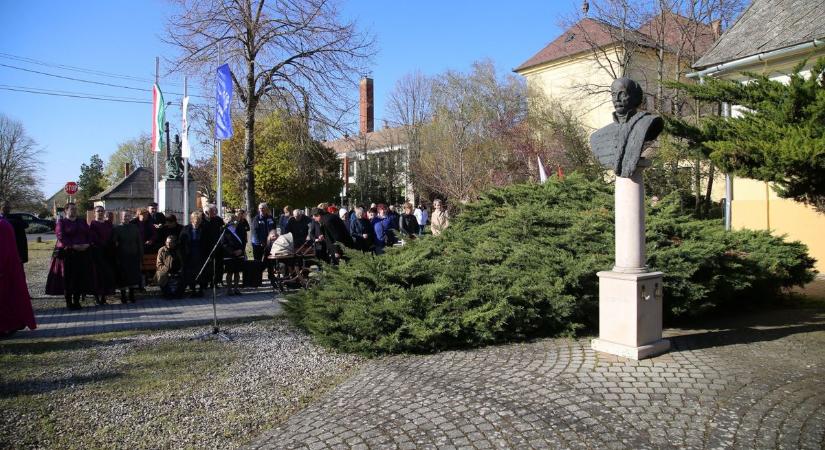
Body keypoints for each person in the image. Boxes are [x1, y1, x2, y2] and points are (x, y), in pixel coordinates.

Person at [46, 202, 92, 310]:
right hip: (68, 254)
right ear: (66, 210)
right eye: (72, 209)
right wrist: (73, 246)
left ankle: (77, 301)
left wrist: (88, 244)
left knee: (79, 278)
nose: (74, 211)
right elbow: (60, 235)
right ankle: (69, 302)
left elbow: (89, 234)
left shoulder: (82, 221)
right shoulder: (61, 222)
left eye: (75, 209)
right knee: (68, 278)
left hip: (82, 253)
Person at [0, 218, 36, 336]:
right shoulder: (4, 223)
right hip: (7, 269)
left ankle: (7, 327)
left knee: (6, 301)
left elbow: (4, 251)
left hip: (4, 271)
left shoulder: (2, 225)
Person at [111, 210, 143, 303]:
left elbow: (139, 242)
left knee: (133, 276)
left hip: (133, 255)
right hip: (122, 256)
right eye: (125, 216)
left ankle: (132, 295)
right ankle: (123, 296)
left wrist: (140, 254)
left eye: (128, 216)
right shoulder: (117, 228)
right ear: (121, 217)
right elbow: (114, 243)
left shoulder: (135, 227)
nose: (127, 218)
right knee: (123, 277)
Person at [88, 205, 115, 305]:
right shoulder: (93, 224)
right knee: (99, 274)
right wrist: (103, 244)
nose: (100, 212)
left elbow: (113, 234)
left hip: (108, 251)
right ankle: (98, 296)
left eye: (102, 211)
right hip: (98, 251)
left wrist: (112, 244)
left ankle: (105, 295)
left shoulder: (108, 223)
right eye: (98, 211)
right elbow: (93, 237)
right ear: (94, 213)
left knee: (108, 273)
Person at [179, 211, 209, 297]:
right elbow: (181, 243)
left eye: (199, 221)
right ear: (192, 220)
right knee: (190, 272)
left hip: (200, 254)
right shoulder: (185, 229)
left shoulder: (204, 229)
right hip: (189, 254)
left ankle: (201, 289)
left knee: (201, 272)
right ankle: (192, 289)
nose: (197, 222)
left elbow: (207, 243)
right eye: (196, 221)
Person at [221, 215, 246, 296]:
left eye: (235, 220)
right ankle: (229, 289)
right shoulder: (225, 230)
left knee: (237, 272)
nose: (234, 222)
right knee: (229, 272)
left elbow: (244, 241)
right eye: (232, 220)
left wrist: (241, 250)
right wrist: (232, 252)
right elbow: (223, 244)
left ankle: (236, 288)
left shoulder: (240, 229)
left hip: (239, 253)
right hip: (229, 255)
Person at [202, 204, 225, 287]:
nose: (215, 213)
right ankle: (204, 283)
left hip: (217, 247)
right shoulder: (201, 219)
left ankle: (215, 282)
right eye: (213, 211)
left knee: (217, 266)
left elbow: (223, 230)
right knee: (206, 266)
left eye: (215, 211)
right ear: (207, 212)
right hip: (205, 247)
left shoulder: (218, 219)